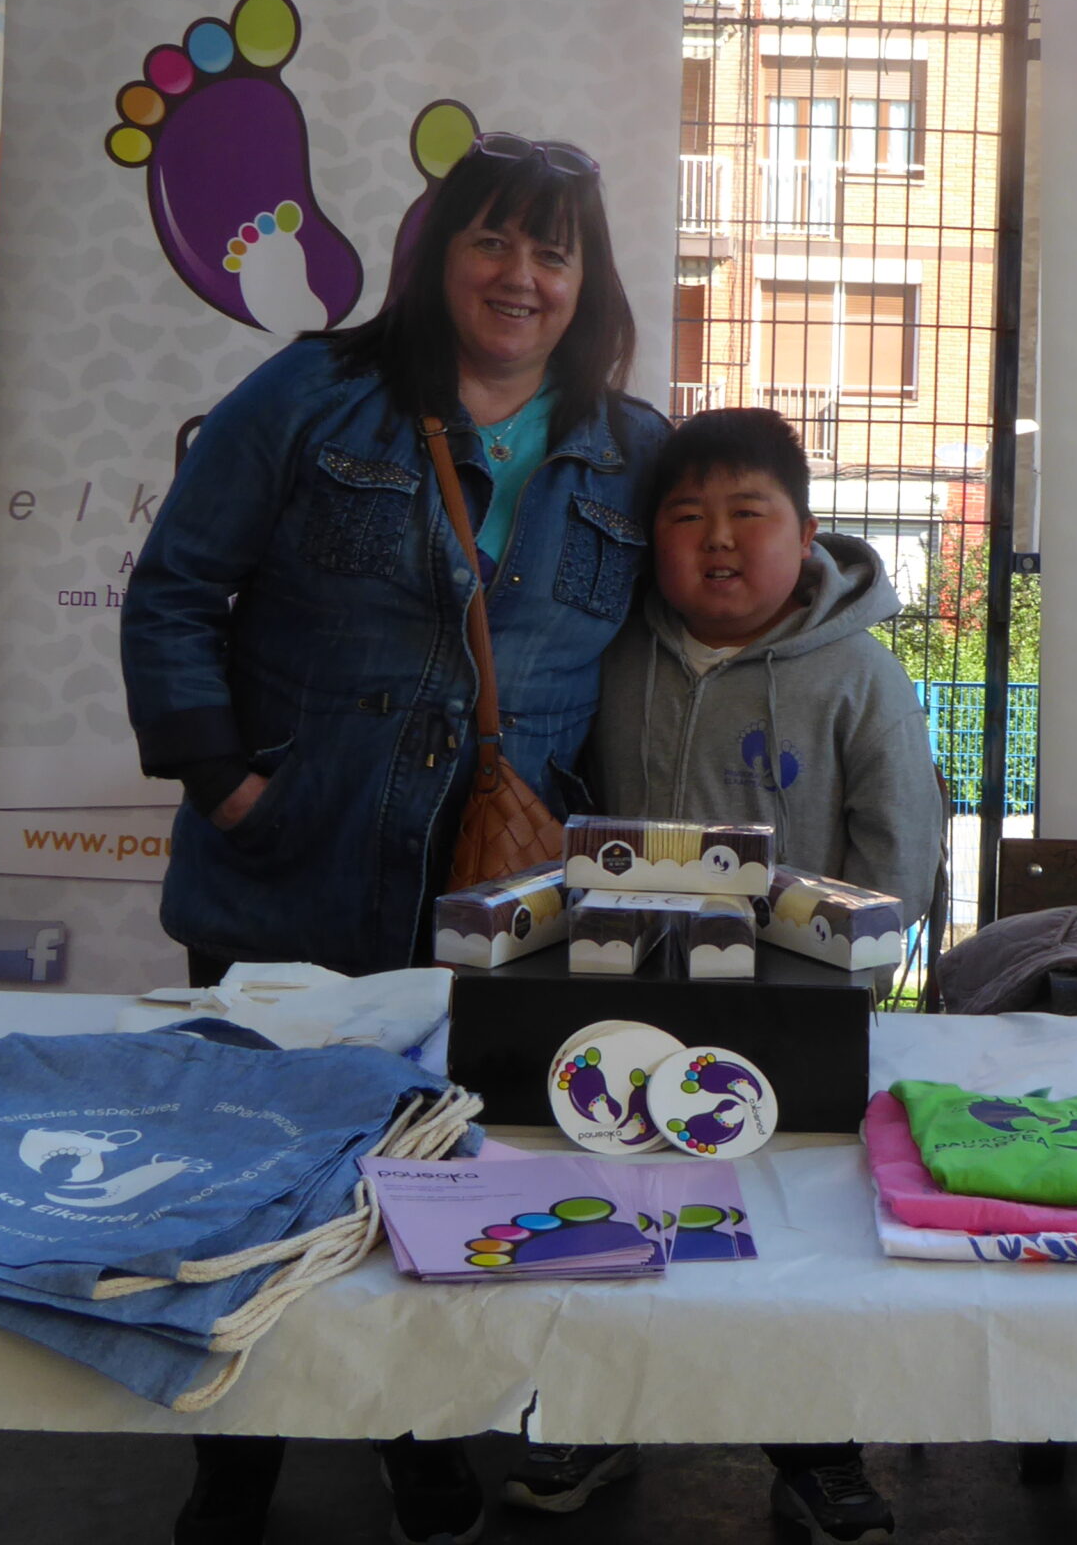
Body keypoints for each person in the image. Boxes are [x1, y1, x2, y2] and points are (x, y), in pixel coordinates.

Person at [119, 131, 668, 1545]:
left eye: (554, 250)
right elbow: (175, 588)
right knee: (254, 1177)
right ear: (435, 256)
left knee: (451, 1180)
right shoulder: (313, 393)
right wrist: (227, 783)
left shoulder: (635, 450)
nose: (521, 274)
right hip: (286, 873)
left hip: (500, 899)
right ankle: (232, 1450)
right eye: (493, 239)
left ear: (588, 280)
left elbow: (713, 619)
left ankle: (418, 1432)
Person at [498, 408, 943, 1545]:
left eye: (750, 514)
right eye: (688, 518)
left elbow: (900, 853)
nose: (720, 541)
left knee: (801, 1239)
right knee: (615, 1214)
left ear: (807, 534)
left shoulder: (859, 675)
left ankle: (817, 1450)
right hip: (622, 1006)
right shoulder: (612, 657)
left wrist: (839, 986)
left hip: (792, 1016)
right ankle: (594, 1420)